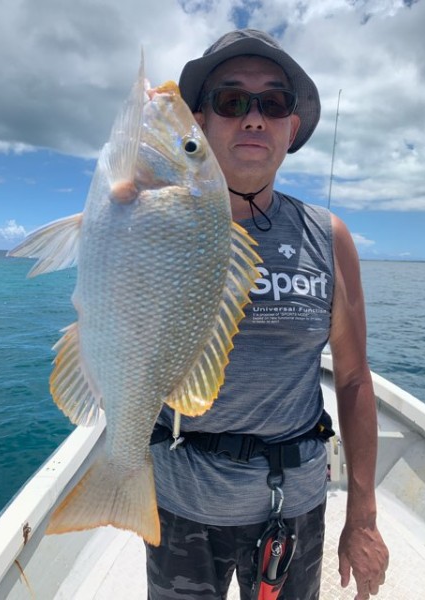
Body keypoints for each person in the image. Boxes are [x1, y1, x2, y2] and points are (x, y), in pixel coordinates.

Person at [147, 29, 389, 599]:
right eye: (232, 101)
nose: (254, 118)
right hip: (179, 506)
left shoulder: (328, 237)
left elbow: (353, 379)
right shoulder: (154, 225)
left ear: (291, 127)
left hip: (293, 508)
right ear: (200, 122)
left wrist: (362, 516)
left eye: (273, 103)